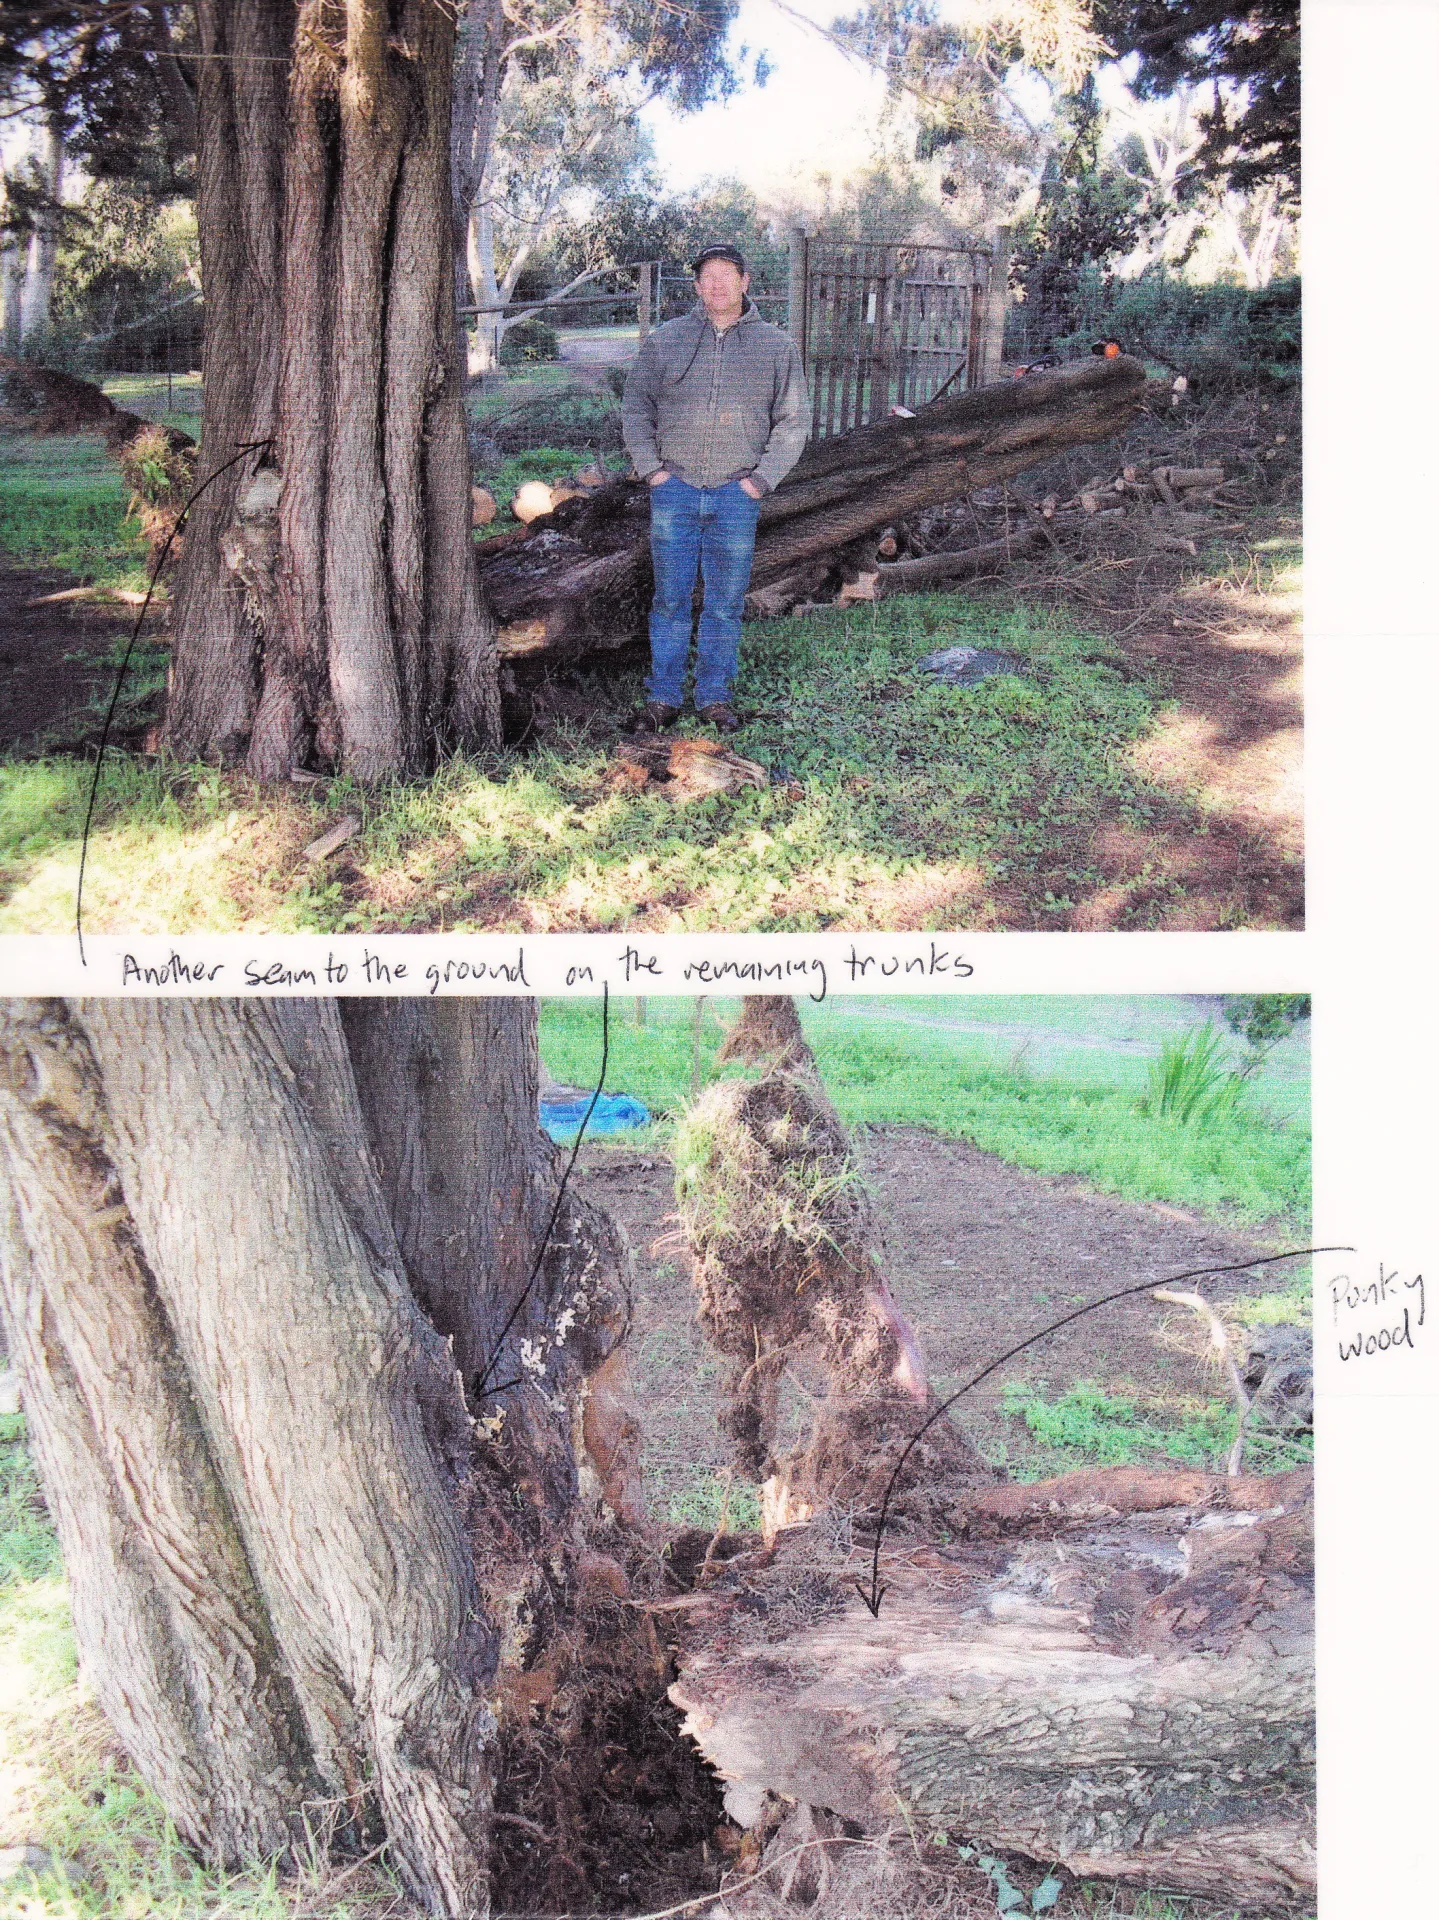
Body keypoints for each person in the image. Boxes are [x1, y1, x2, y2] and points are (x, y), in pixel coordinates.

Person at [621, 243, 809, 734]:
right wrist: (653, 470)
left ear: (745, 282)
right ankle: (663, 697)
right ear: (697, 285)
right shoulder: (668, 341)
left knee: (725, 603)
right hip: (675, 491)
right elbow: (637, 407)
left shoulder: (776, 347)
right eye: (707, 275)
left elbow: (792, 422)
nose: (717, 283)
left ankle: (714, 698)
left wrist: (760, 481)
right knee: (670, 600)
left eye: (727, 274)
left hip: (734, 496)